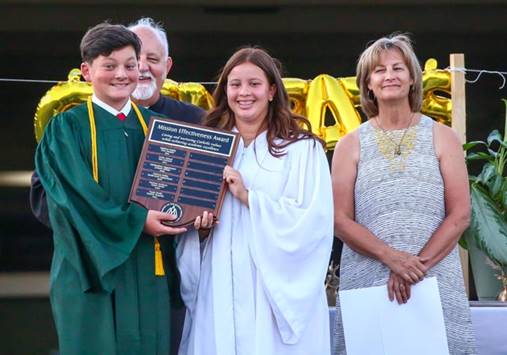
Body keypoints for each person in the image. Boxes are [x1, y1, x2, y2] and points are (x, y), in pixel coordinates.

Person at [35, 22, 190, 354]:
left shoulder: (161, 131)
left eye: (130, 65)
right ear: (87, 71)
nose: (122, 74)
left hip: (150, 271)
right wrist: (138, 222)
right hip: (89, 270)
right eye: (110, 65)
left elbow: (180, 196)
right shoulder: (66, 128)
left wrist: (196, 215)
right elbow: (71, 200)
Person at [175, 47, 334, 355]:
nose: (244, 93)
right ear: (225, 92)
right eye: (235, 85)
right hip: (218, 281)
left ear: (272, 90)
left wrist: (249, 198)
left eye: (254, 84)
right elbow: (189, 225)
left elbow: (313, 224)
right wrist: (201, 230)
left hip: (272, 291)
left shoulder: (302, 150)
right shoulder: (208, 146)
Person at [331, 33, 476, 354]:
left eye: (398, 68)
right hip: (368, 281)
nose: (389, 76)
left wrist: (413, 268)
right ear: (367, 83)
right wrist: (392, 258)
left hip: (434, 280)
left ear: (413, 78)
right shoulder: (349, 144)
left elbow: (460, 214)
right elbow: (340, 220)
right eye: (379, 70)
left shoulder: (444, 137)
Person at [30, 17, 204, 228]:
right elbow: (46, 199)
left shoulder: (196, 123)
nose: (141, 67)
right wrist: (123, 225)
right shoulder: (69, 126)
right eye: (133, 60)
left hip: (168, 253)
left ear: (167, 66)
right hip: (95, 252)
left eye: (153, 59)